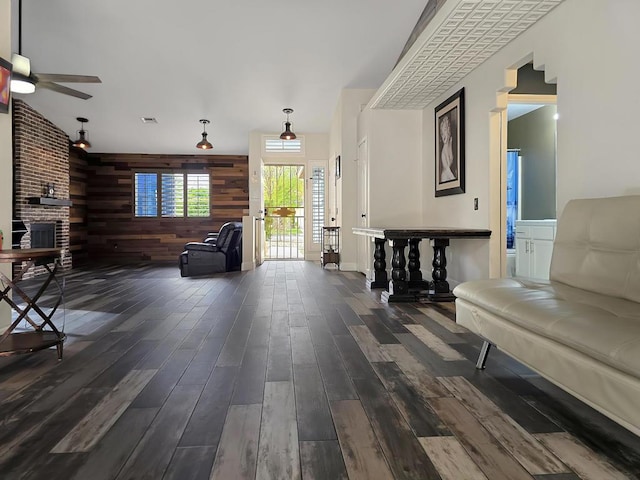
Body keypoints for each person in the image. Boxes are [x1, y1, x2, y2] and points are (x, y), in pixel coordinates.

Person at [439, 114, 456, 183]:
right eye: (445, 129)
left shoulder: (450, 143)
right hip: (445, 178)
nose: (447, 131)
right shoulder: (443, 152)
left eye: (448, 128)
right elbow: (447, 169)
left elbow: (451, 160)